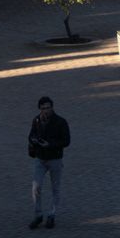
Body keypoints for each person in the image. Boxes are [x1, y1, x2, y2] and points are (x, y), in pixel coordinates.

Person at [28, 95, 70, 230]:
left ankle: (51, 215)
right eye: (43, 108)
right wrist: (34, 141)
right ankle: (38, 215)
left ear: (52, 107)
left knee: (55, 188)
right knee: (36, 187)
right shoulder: (36, 120)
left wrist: (50, 144)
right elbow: (31, 135)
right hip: (40, 158)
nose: (46, 110)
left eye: (48, 107)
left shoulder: (61, 122)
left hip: (55, 159)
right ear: (40, 109)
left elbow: (66, 141)